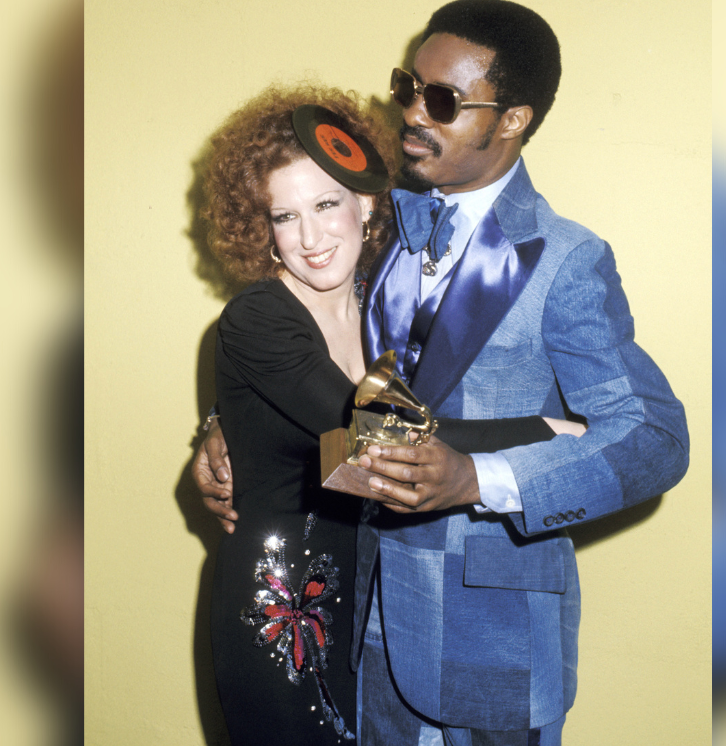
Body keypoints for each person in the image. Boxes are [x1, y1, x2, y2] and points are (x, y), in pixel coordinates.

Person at [343, 0, 690, 745]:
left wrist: (479, 480)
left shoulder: (566, 260)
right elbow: (316, 356)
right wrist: (224, 429)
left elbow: (656, 438)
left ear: (512, 119)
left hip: (492, 641)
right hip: (363, 626)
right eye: (408, 86)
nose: (411, 113)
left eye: (441, 101)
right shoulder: (372, 225)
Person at [198, 83, 581, 745]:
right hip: (281, 612)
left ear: (367, 203)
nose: (310, 236)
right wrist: (543, 431)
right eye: (283, 216)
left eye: (325, 204)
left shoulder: (384, 302)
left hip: (370, 608)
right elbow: (385, 432)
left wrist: (215, 423)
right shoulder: (258, 318)